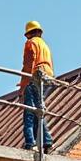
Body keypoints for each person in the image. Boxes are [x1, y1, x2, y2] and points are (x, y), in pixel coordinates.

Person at [20, 20, 55, 151]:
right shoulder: (45, 45)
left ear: (28, 34)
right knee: (38, 112)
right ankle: (46, 142)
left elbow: (28, 65)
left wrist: (23, 85)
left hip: (36, 77)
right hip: (48, 78)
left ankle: (30, 143)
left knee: (29, 111)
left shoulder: (30, 43)